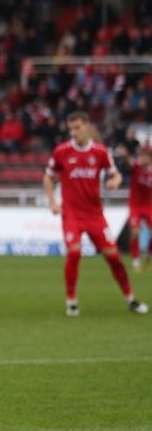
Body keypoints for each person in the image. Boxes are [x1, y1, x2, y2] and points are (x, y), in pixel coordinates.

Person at [43, 111, 148, 316]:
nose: (74, 133)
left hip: (95, 216)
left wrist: (115, 182)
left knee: (115, 258)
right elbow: (48, 177)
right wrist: (53, 202)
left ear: (87, 127)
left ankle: (130, 298)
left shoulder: (100, 152)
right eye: (71, 129)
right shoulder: (62, 151)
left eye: (77, 128)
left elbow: (115, 173)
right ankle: (71, 301)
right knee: (74, 253)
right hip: (72, 214)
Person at [127, 145, 152, 270]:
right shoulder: (135, 167)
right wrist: (125, 155)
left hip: (149, 205)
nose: (144, 158)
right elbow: (128, 164)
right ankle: (135, 258)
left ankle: (148, 252)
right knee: (135, 232)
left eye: (146, 155)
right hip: (135, 206)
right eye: (142, 155)